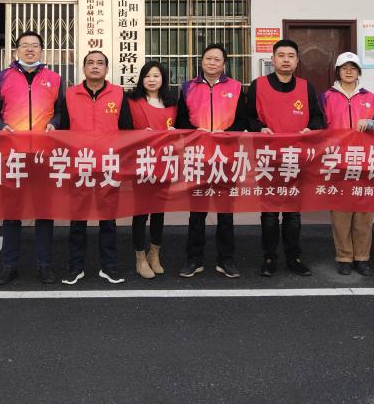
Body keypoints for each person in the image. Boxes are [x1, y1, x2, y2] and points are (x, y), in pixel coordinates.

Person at [0, 31, 65, 285]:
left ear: (42, 50)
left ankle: (44, 265)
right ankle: (9, 265)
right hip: (13, 155)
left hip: (43, 155)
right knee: (12, 213)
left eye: (35, 46)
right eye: (25, 45)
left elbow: (61, 111)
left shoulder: (54, 78)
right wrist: (0, 126)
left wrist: (55, 123)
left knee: (44, 212)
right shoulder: (2, 77)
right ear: (16, 50)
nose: (30, 50)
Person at [245, 39, 325, 278]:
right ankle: (269, 257)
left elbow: (318, 117)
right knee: (269, 214)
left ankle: (294, 257)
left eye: (291, 56)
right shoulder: (258, 85)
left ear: (297, 61)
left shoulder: (306, 87)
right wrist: (259, 128)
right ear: (273, 59)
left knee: (293, 213)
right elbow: (247, 116)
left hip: (295, 159)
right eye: (281, 55)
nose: (286, 60)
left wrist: (311, 128)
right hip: (268, 158)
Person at [59, 51, 129, 285]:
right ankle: (75, 267)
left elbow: (127, 130)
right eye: (90, 63)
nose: (95, 66)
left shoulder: (118, 93)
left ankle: (109, 267)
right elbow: (63, 130)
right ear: (84, 68)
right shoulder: (70, 94)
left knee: (108, 220)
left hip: (108, 165)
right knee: (77, 220)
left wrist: (122, 162)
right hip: (80, 165)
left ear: (107, 69)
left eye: (100, 63)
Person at [176, 43, 246, 279]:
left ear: (224, 63)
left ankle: (226, 259)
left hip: (226, 157)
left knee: (225, 212)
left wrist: (226, 134)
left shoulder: (236, 87)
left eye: (217, 59)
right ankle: (194, 259)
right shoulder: (188, 87)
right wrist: (196, 131)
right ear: (202, 61)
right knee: (197, 212)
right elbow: (181, 121)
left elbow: (243, 120)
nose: (212, 62)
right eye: (208, 58)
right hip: (197, 157)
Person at [319, 52, 374, 276]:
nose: (349, 71)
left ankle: (362, 258)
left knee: (363, 215)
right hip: (337, 163)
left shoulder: (371, 98)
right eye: (344, 67)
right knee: (341, 214)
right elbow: (318, 127)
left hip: (365, 163)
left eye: (353, 67)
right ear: (337, 71)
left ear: (359, 72)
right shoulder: (325, 97)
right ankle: (344, 257)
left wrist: (370, 123)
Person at [125, 60, 177, 279]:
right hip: (141, 161)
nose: (152, 80)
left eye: (156, 76)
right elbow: (123, 128)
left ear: (163, 79)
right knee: (140, 211)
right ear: (141, 79)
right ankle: (139, 257)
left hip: (164, 161)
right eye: (147, 76)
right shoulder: (131, 101)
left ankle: (154, 253)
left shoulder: (172, 102)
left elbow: (182, 130)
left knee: (159, 210)